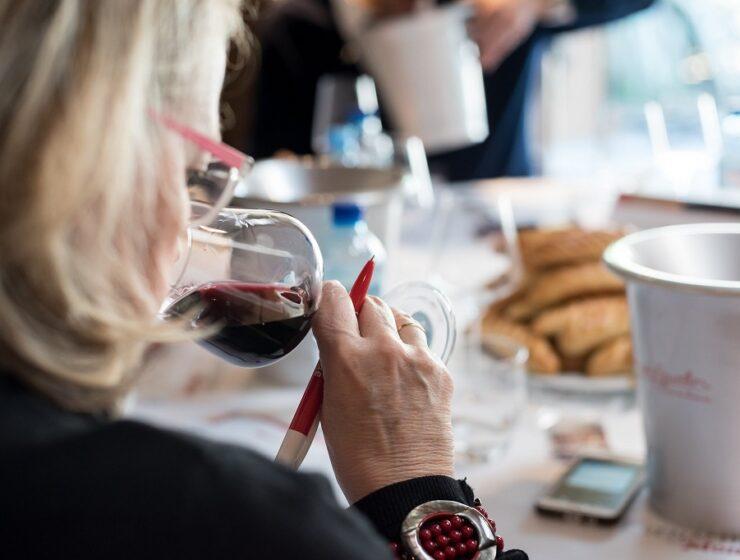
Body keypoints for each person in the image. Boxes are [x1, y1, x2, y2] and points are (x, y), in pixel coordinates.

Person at [0, 2, 525, 558]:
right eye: (197, 175)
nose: (196, 226)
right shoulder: (223, 518)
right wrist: (416, 486)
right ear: (93, 164)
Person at [250, 0, 655, 180]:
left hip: (496, 225)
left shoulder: (490, 10)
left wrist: (533, 5)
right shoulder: (301, 27)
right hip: (359, 241)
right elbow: (272, 168)